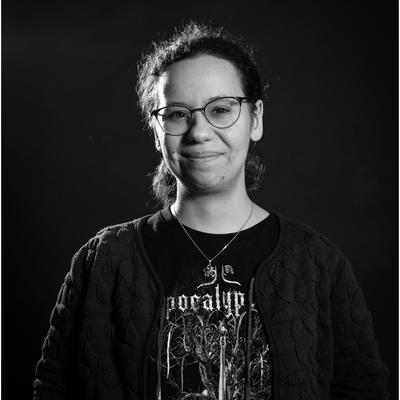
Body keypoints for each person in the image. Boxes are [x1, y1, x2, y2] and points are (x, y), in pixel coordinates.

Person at [33, 22, 389, 400]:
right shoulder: (103, 262)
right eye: (177, 114)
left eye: (220, 110)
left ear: (255, 119)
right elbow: (53, 389)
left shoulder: (318, 264)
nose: (199, 132)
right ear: (156, 130)